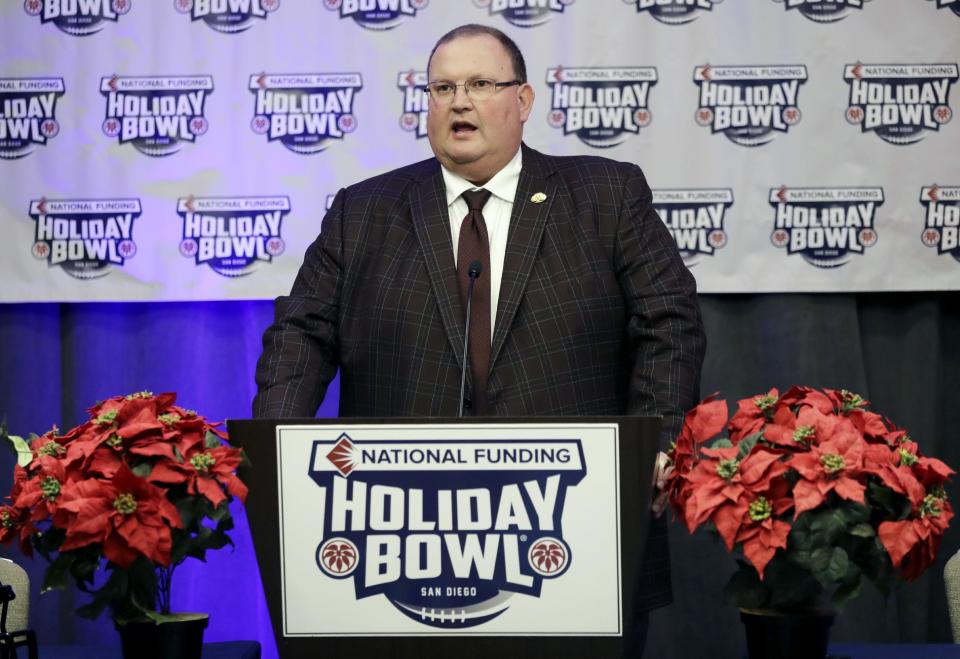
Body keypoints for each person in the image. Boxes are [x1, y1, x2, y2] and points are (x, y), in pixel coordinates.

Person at [254, 23, 706, 655]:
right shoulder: (364, 211)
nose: (457, 101)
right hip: (404, 543)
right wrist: (277, 454)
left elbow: (670, 320)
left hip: (571, 529)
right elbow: (299, 335)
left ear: (523, 101)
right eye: (442, 87)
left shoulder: (605, 193)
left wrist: (652, 445)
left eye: (478, 84)